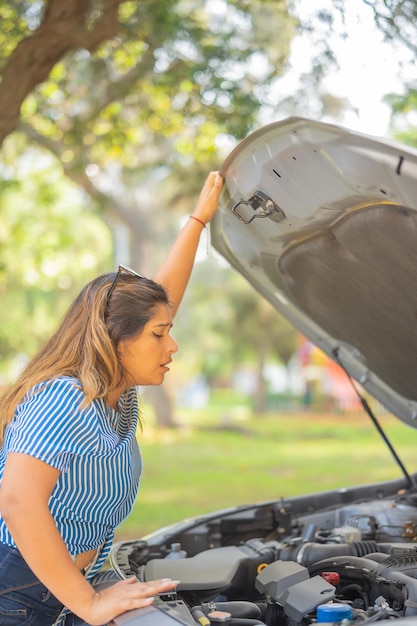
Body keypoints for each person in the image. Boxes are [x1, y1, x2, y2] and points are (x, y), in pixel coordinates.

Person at [0, 171, 223, 626]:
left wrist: (198, 221)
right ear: (116, 342)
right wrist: (88, 602)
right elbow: (19, 500)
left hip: (59, 587)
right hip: (19, 593)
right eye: (160, 335)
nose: (172, 345)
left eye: (169, 332)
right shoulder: (65, 397)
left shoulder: (116, 392)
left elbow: (164, 300)